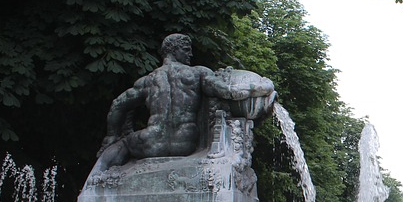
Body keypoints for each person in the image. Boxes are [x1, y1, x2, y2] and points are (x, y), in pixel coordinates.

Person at [89, 33, 275, 177]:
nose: (190, 53)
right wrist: (262, 86)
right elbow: (229, 92)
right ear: (173, 50)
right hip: (185, 143)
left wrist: (112, 136)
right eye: (186, 49)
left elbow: (118, 105)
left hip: (150, 143)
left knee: (118, 145)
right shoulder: (198, 74)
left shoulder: (148, 81)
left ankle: (99, 181)